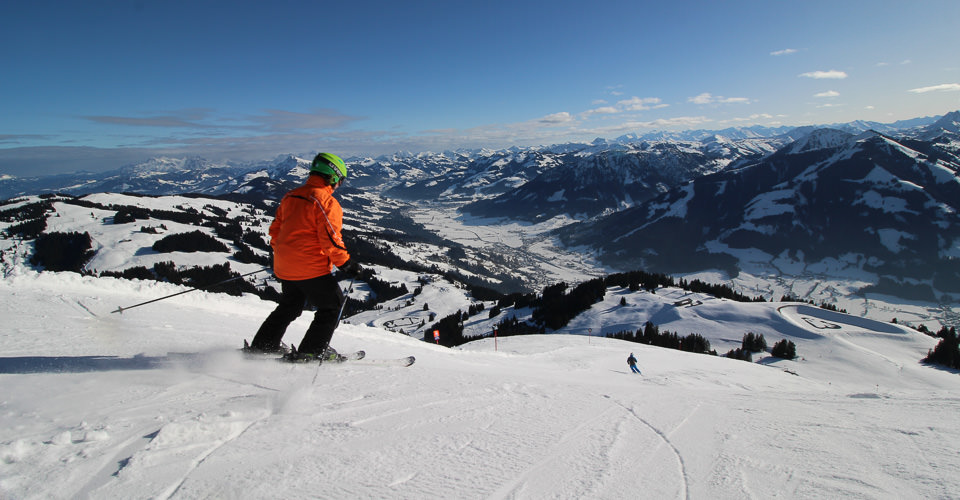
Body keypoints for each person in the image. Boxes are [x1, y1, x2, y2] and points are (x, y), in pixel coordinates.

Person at [247, 152, 361, 362]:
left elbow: (276, 231)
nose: (339, 185)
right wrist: (346, 263)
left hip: (285, 266)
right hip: (310, 268)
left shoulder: (291, 196)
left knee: (290, 305)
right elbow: (331, 239)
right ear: (334, 177)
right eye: (340, 181)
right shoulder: (326, 202)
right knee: (332, 305)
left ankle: (263, 345)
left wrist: (284, 254)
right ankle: (311, 350)